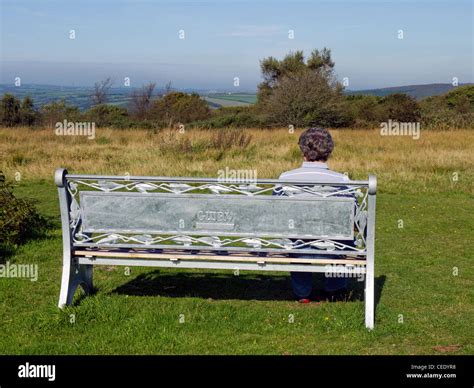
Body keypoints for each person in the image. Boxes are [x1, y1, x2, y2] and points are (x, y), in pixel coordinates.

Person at [279, 127, 351, 303]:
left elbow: (276, 215)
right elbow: (352, 218)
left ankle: (302, 293)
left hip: (297, 245)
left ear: (303, 150)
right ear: (329, 150)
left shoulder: (285, 178)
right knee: (342, 238)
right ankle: (335, 290)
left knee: (294, 237)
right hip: (333, 246)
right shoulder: (341, 180)